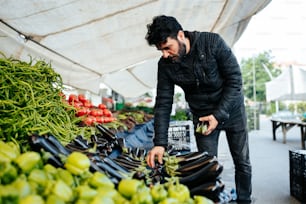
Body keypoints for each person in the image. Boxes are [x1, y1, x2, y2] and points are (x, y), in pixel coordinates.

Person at [145, 15, 252, 203]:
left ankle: (244, 200)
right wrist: (159, 143)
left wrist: (218, 114)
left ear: (180, 35)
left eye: (167, 48)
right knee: (207, 166)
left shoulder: (212, 42)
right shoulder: (165, 65)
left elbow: (235, 81)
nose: (165, 54)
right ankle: (214, 200)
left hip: (231, 110)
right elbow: (163, 103)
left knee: (242, 162)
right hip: (202, 118)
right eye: (160, 50)